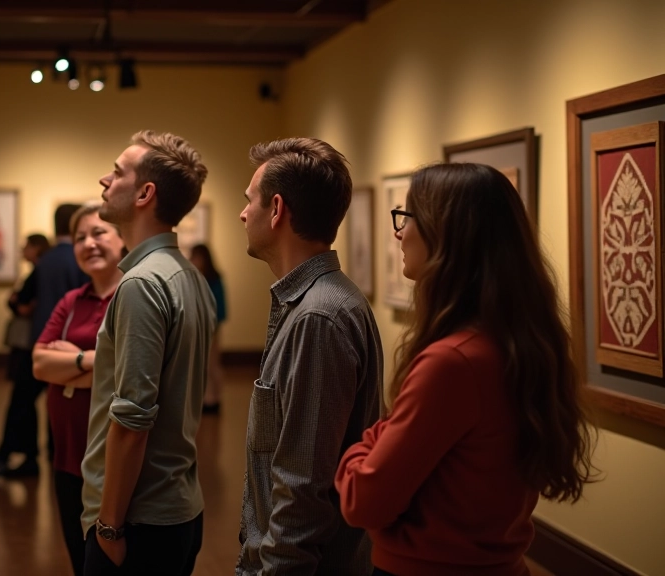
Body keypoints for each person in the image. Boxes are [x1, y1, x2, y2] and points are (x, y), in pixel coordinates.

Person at [335, 163, 597, 576]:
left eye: (408, 217)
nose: (399, 233)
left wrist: (358, 446)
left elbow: (362, 500)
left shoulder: (451, 363)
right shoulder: (511, 342)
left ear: (447, 234)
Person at [236, 138, 382, 576]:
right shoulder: (313, 304)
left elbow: (302, 487)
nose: (243, 213)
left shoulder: (318, 317)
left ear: (277, 208)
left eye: (249, 201)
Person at [80, 130, 215, 576]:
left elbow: (133, 421)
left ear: (145, 193)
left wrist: (110, 528)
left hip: (139, 519)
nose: (105, 179)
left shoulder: (142, 284)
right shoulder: (187, 276)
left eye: (117, 172)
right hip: (177, 507)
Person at [33, 203, 126, 576]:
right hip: (68, 456)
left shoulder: (133, 297)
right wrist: (90, 362)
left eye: (99, 232)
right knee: (79, 559)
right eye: (80, 237)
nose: (89, 243)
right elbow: (39, 364)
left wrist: (70, 362)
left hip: (113, 461)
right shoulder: (71, 302)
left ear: (123, 239)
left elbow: (127, 374)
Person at [0, 233, 50, 481]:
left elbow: (23, 305)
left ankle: (7, 456)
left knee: (20, 401)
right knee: (26, 402)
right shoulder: (38, 272)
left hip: (29, 346)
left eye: (26, 247)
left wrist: (14, 302)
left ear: (37, 248)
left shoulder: (39, 272)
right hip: (28, 344)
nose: (23, 251)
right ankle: (29, 457)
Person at [189, 244, 226, 413]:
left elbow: (220, 306)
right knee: (202, 363)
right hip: (198, 324)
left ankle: (213, 398)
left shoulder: (214, 279)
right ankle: (206, 398)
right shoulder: (193, 278)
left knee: (212, 362)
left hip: (211, 325)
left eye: (197, 257)